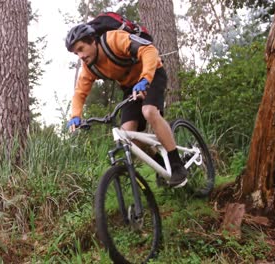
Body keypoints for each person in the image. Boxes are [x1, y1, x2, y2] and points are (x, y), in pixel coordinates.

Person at [65, 23, 188, 188]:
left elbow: (149, 50)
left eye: (81, 49)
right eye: (76, 53)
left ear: (92, 41)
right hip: (131, 88)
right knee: (128, 137)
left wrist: (145, 79)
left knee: (149, 111)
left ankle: (176, 164)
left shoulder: (113, 40)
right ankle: (161, 164)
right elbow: (79, 94)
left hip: (151, 73)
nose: (80, 55)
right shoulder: (89, 67)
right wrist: (75, 116)